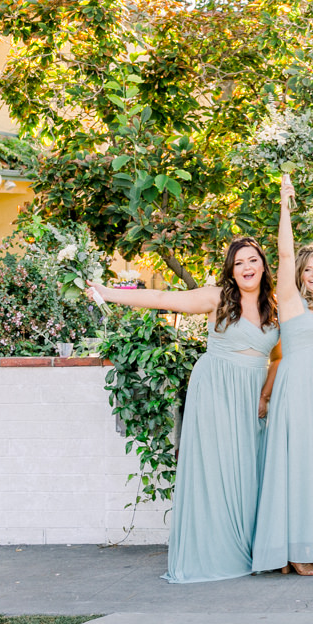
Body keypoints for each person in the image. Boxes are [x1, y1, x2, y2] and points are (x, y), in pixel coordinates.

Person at [90, 237, 279, 583]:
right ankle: (215, 554)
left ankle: (250, 548)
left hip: (251, 398)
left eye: (253, 261)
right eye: (239, 263)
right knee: (216, 472)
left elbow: (278, 357)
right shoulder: (217, 298)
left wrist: (265, 394)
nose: (247, 268)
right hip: (216, 391)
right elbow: (163, 298)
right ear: (231, 271)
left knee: (248, 471)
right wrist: (109, 291)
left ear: (264, 266)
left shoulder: (275, 306)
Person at [252, 174, 313, 576]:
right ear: (301, 273)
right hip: (295, 391)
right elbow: (284, 256)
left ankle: (301, 547)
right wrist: (285, 204)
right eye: (309, 269)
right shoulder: (288, 301)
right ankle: (293, 552)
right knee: (295, 467)